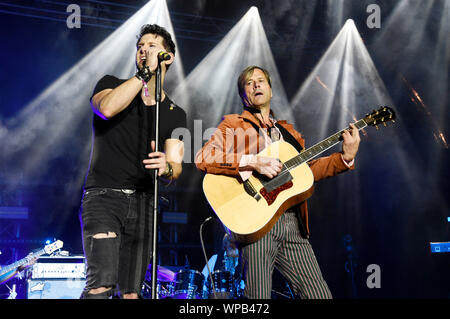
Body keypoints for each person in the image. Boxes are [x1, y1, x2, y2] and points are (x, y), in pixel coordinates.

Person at [195, 65, 360, 299]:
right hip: (256, 223)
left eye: (261, 81)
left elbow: (306, 172)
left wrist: (345, 158)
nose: (256, 85)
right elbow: (204, 157)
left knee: (319, 295)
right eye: (249, 83)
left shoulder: (289, 132)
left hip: (293, 224)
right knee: (258, 299)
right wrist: (252, 162)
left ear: (271, 90)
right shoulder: (233, 124)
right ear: (244, 95)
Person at [79, 24, 186, 299]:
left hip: (144, 203)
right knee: (101, 285)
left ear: (168, 57)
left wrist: (167, 167)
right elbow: (106, 108)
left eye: (151, 46)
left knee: (131, 293)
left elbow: (175, 166)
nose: (144, 50)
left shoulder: (175, 114)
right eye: (140, 47)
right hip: (104, 196)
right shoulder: (110, 84)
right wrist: (143, 75)